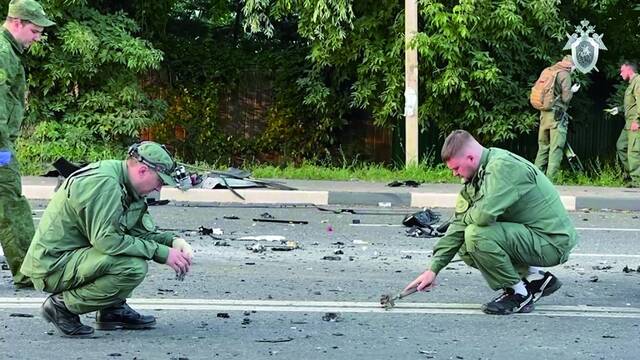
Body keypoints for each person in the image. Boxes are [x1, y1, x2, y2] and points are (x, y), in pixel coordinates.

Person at [20, 141, 194, 337]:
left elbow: (138, 233)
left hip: (75, 257)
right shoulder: (105, 183)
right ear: (143, 171)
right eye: (160, 181)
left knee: (132, 251)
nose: (158, 188)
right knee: (132, 266)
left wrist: (173, 242)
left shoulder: (129, 186)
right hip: (52, 266)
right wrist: (160, 253)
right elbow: (107, 241)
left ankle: (112, 310)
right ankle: (61, 306)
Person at [404, 130, 578, 315]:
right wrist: (433, 270)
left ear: (470, 158)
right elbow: (458, 225)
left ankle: (518, 294)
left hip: (552, 242)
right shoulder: (476, 176)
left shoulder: (503, 167)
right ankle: (534, 278)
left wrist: (465, 217)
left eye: (456, 168)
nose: (454, 174)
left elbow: (482, 216)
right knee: (464, 242)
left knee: (476, 234)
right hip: (531, 236)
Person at [0, 0, 55, 288]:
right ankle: (27, 271)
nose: (37, 38)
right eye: (34, 31)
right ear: (17, 23)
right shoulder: (2, 53)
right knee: (10, 202)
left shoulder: (7, 51)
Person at [533, 55, 580, 181]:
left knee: (543, 147)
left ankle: (536, 179)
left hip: (544, 114)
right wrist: (572, 91)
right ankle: (550, 181)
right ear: (572, 65)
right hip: (557, 117)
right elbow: (565, 98)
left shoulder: (548, 70)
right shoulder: (565, 75)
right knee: (556, 148)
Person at [606, 62, 640, 187]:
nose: (620, 74)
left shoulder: (638, 82)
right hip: (629, 123)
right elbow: (632, 104)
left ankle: (637, 181)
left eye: (622, 71)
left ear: (629, 70)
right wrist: (619, 109)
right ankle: (631, 175)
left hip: (635, 123)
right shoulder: (631, 84)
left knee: (634, 151)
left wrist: (638, 121)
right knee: (621, 145)